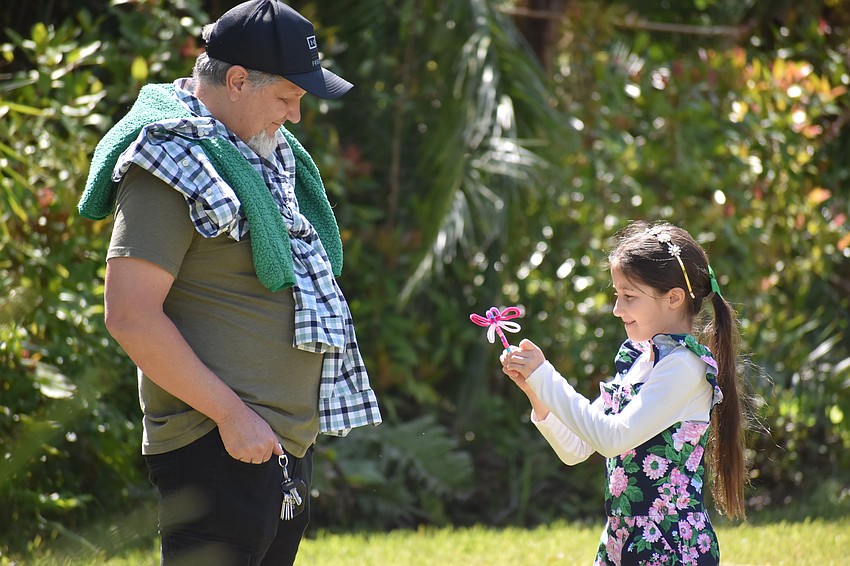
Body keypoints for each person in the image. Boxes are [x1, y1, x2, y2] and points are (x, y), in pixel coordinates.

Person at [77, 1, 381, 564]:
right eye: (287, 97)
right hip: (216, 443)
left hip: (273, 447)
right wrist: (232, 416)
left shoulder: (257, 154)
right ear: (238, 80)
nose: (295, 117)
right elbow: (129, 314)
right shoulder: (168, 161)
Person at [501, 221, 747, 565]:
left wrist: (546, 375)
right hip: (623, 543)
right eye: (618, 295)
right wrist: (535, 391)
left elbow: (613, 438)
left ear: (674, 298)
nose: (617, 309)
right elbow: (577, 447)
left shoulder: (685, 367)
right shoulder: (640, 359)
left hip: (668, 548)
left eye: (629, 296)